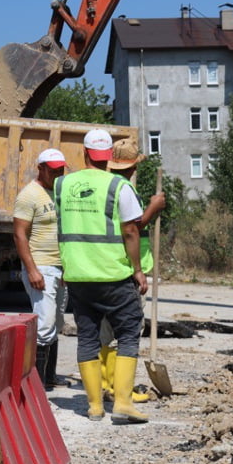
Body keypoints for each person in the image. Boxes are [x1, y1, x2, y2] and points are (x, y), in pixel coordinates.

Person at [54, 129, 149, 424]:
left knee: (88, 337)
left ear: (84, 154)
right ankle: (122, 403)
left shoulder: (62, 184)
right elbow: (131, 230)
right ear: (108, 157)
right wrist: (137, 269)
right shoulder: (117, 186)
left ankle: (94, 406)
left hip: (78, 276)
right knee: (129, 333)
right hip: (112, 275)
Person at [97, 138, 165, 404]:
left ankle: (106, 383)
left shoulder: (105, 186)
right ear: (133, 164)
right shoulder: (124, 188)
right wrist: (154, 208)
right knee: (126, 330)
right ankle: (120, 389)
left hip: (108, 267)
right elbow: (132, 229)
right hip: (125, 269)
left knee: (107, 330)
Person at [14, 148, 69, 390]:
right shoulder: (29, 195)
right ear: (41, 168)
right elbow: (19, 235)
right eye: (53, 169)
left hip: (60, 267)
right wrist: (32, 269)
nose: (58, 173)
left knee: (56, 323)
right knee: (44, 324)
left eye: (61, 169)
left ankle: (49, 377)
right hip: (41, 266)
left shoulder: (59, 192)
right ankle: (35, 383)